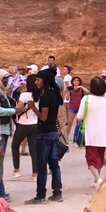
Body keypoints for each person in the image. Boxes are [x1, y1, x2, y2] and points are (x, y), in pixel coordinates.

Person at [25, 68, 64, 204]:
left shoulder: (45, 96)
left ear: (44, 80)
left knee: (42, 165)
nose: (36, 82)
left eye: (38, 80)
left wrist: (32, 107)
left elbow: (43, 116)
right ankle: (57, 192)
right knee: (54, 164)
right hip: (53, 132)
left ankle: (40, 195)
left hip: (44, 133)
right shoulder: (54, 94)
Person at [74, 77, 106, 185]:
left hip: (90, 133)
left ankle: (98, 179)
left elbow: (80, 116)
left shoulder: (85, 99)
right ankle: (97, 179)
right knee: (99, 157)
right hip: (103, 133)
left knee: (91, 158)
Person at [12, 73, 39, 178]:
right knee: (33, 149)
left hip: (24, 123)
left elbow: (19, 110)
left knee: (15, 145)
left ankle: (16, 170)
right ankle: (35, 173)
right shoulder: (39, 95)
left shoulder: (24, 95)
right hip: (35, 122)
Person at [65, 77, 84, 143]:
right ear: (72, 82)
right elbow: (67, 99)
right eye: (75, 80)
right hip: (72, 107)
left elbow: (87, 91)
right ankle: (66, 137)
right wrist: (68, 91)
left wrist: (80, 86)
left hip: (79, 108)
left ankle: (77, 137)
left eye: (77, 80)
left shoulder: (81, 89)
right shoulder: (71, 89)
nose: (76, 82)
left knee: (78, 123)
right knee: (69, 123)